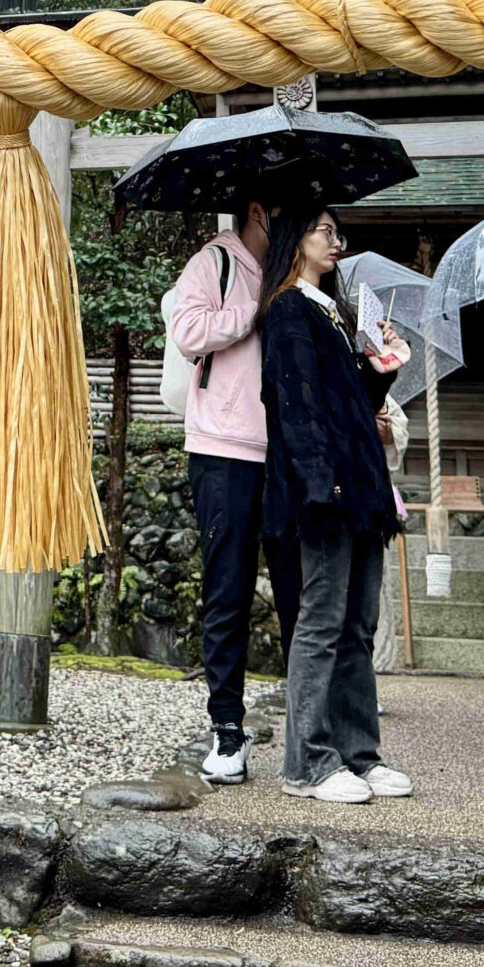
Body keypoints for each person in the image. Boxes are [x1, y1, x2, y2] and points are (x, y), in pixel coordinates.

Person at [258, 205, 414, 805]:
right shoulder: (289, 311)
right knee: (321, 624)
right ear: (295, 238)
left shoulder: (333, 312)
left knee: (356, 626)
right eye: (325, 230)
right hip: (325, 492)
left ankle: (358, 754)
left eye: (335, 233)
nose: (336, 242)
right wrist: (323, 485)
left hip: (361, 487)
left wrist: (380, 370)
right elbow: (296, 410)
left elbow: (352, 408)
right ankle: (308, 762)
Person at [167, 202, 303, 785]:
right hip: (224, 451)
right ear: (258, 212)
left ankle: (312, 729)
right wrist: (255, 309)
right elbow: (188, 331)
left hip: (291, 455)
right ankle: (227, 728)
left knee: (302, 591)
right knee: (228, 591)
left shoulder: (297, 269)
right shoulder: (214, 262)